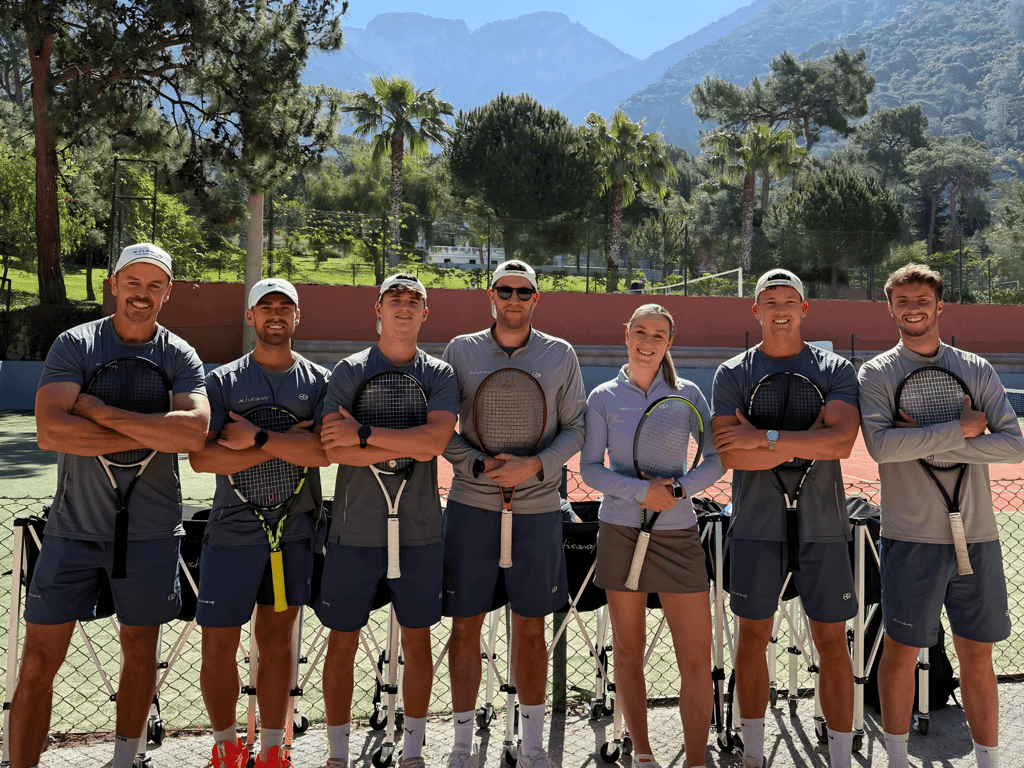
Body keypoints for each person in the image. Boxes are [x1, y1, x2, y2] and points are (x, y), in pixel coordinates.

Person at [10, 243, 210, 768]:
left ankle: (126, 759)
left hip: (151, 532)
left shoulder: (180, 355)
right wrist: (150, 430)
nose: (141, 295)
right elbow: (52, 429)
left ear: (166, 292)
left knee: (141, 653)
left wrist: (96, 410)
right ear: (113, 285)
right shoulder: (74, 344)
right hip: (72, 531)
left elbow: (192, 433)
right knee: (37, 664)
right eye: (133, 283)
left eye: (153, 286)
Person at [858, 265, 1024, 768]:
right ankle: (895, 758)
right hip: (911, 537)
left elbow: (1013, 444)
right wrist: (962, 429)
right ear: (890, 307)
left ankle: (990, 760)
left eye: (923, 299)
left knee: (977, 654)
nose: (914, 307)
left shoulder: (975, 367)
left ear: (939, 306)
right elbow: (883, 448)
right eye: (903, 299)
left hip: (977, 536)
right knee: (901, 651)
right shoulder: (877, 373)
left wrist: (932, 437)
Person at [711, 269, 860, 768]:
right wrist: (806, 439)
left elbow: (840, 444)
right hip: (755, 526)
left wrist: (765, 439)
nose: (779, 308)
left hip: (824, 526)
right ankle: (754, 754)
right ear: (755, 311)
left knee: (831, 643)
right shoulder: (732, 373)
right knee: (753, 640)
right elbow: (732, 456)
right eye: (769, 300)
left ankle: (840, 757)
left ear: (804, 309)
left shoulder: (836, 368)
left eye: (789, 300)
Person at [441, 260, 586, 768]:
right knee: (465, 626)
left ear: (536, 299)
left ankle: (532, 747)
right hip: (470, 507)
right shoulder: (459, 350)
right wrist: (476, 465)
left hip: (538, 509)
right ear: (491, 295)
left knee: (531, 629)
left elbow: (576, 429)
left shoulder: (560, 354)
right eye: (505, 289)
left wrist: (535, 466)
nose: (514, 298)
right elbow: (443, 428)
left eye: (524, 291)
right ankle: (461, 745)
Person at [316, 274, 458, 768]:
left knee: (419, 642)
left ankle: (414, 753)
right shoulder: (350, 370)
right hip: (354, 532)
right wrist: (398, 440)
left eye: (413, 301)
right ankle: (337, 756)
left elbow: (434, 445)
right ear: (377, 308)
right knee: (343, 642)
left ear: (426, 313)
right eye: (394, 299)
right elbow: (334, 447)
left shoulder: (439, 374)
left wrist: (365, 433)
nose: (404, 307)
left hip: (419, 531)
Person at [188, 278, 331, 768]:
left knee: (276, 641)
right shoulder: (221, 381)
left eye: (284, 307)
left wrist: (251, 437)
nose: (275, 314)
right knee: (219, 641)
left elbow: (322, 451)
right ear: (250, 317)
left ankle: (273, 749)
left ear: (297, 318)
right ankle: (226, 745)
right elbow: (203, 460)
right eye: (264, 306)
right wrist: (281, 442)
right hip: (231, 529)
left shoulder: (319, 381)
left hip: (294, 531)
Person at [580, 304, 724, 768]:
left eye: (657, 334)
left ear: (669, 341)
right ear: (626, 335)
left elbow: (716, 460)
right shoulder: (602, 396)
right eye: (639, 331)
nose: (647, 341)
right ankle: (641, 752)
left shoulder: (689, 395)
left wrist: (678, 490)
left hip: (679, 534)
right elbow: (590, 469)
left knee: (695, 658)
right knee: (627, 648)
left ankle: (695, 761)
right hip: (620, 532)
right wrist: (642, 492)